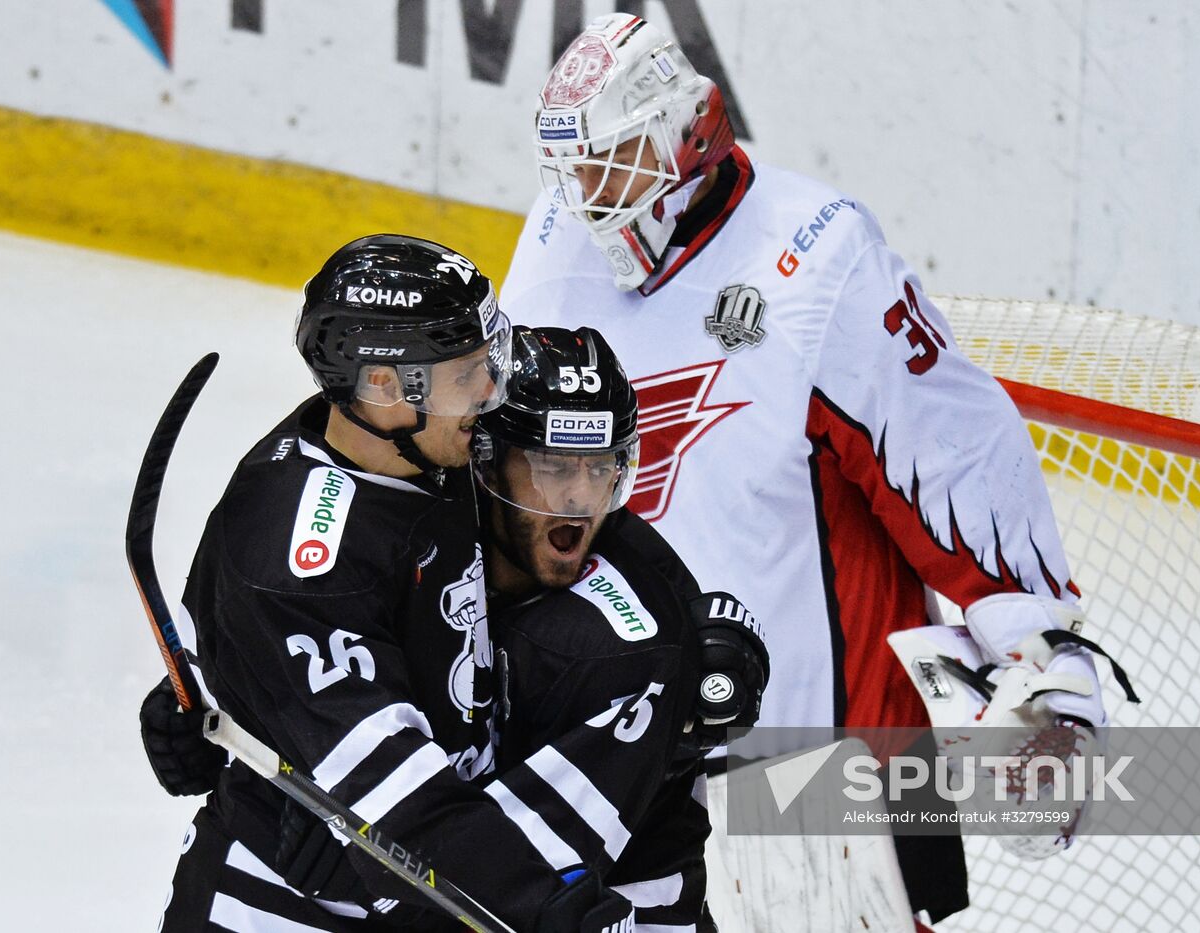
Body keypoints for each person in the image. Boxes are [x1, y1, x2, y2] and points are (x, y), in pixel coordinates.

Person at [501, 13, 1129, 924]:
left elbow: (951, 449)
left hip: (822, 773)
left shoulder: (818, 255)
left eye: (613, 162)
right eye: (573, 170)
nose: (590, 194)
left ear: (687, 132)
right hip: (625, 744)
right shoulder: (561, 228)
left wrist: (1043, 652)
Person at [143, 321, 770, 931]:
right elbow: (320, 617)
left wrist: (357, 857)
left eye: (602, 466)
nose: (580, 498)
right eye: (554, 466)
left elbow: (504, 887)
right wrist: (246, 688)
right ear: (483, 459)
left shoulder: (621, 647)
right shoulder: (423, 517)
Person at [150, 234, 638, 932]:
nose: (491, 391)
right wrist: (542, 902)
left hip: (415, 886)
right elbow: (401, 802)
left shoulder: (429, 446)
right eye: (466, 372)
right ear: (383, 384)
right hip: (279, 910)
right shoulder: (300, 554)